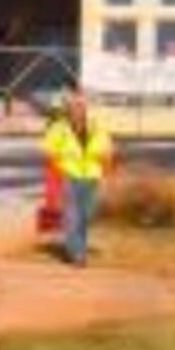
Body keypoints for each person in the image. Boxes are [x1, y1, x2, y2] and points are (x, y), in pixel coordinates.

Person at [40, 87, 118, 266]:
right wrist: (59, 168)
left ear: (85, 109)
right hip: (70, 174)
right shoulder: (59, 128)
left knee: (87, 215)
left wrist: (107, 167)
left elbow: (107, 148)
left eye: (80, 107)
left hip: (92, 175)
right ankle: (77, 254)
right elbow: (48, 149)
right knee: (72, 215)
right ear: (68, 110)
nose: (77, 110)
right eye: (73, 107)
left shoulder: (96, 126)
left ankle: (78, 248)